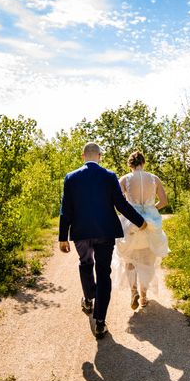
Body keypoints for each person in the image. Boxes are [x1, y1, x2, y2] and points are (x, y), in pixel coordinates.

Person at [59, 142, 147, 339]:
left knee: (85, 263)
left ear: (83, 156)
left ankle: (89, 298)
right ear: (99, 156)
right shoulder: (109, 176)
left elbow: (66, 208)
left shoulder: (71, 178)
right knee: (103, 273)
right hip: (105, 232)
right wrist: (140, 222)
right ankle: (100, 322)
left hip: (81, 232)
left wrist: (63, 237)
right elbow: (121, 204)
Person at [113, 151, 169, 309]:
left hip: (132, 223)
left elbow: (116, 201)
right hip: (150, 224)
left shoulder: (124, 179)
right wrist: (151, 209)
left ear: (130, 164)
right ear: (143, 163)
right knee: (148, 260)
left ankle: (133, 292)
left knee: (129, 259)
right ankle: (144, 296)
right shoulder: (154, 178)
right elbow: (164, 201)